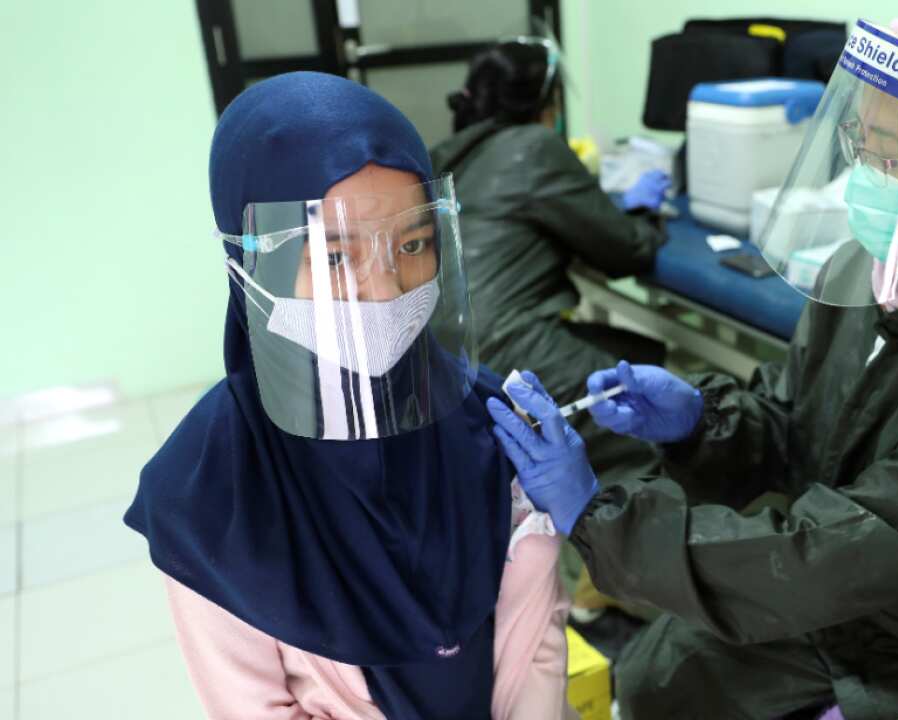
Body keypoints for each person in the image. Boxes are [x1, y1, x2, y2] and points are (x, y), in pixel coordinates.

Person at [488, 8, 898, 719]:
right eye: (865, 143)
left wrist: (602, 520)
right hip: (845, 605)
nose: (869, 177)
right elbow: (800, 422)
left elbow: (830, 557)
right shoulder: (879, 269)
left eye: (894, 157)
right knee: (651, 680)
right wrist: (704, 420)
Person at [125, 72, 573, 720]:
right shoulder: (210, 495)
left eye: (414, 244)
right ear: (251, 263)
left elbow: (540, 647)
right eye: (335, 255)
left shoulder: (491, 423)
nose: (383, 288)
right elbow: (255, 707)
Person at [432, 38, 670, 489]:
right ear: (548, 102)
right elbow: (626, 251)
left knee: (643, 355)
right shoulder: (535, 146)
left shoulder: (448, 155)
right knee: (636, 413)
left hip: (447, 357)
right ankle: (634, 538)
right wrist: (642, 211)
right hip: (505, 349)